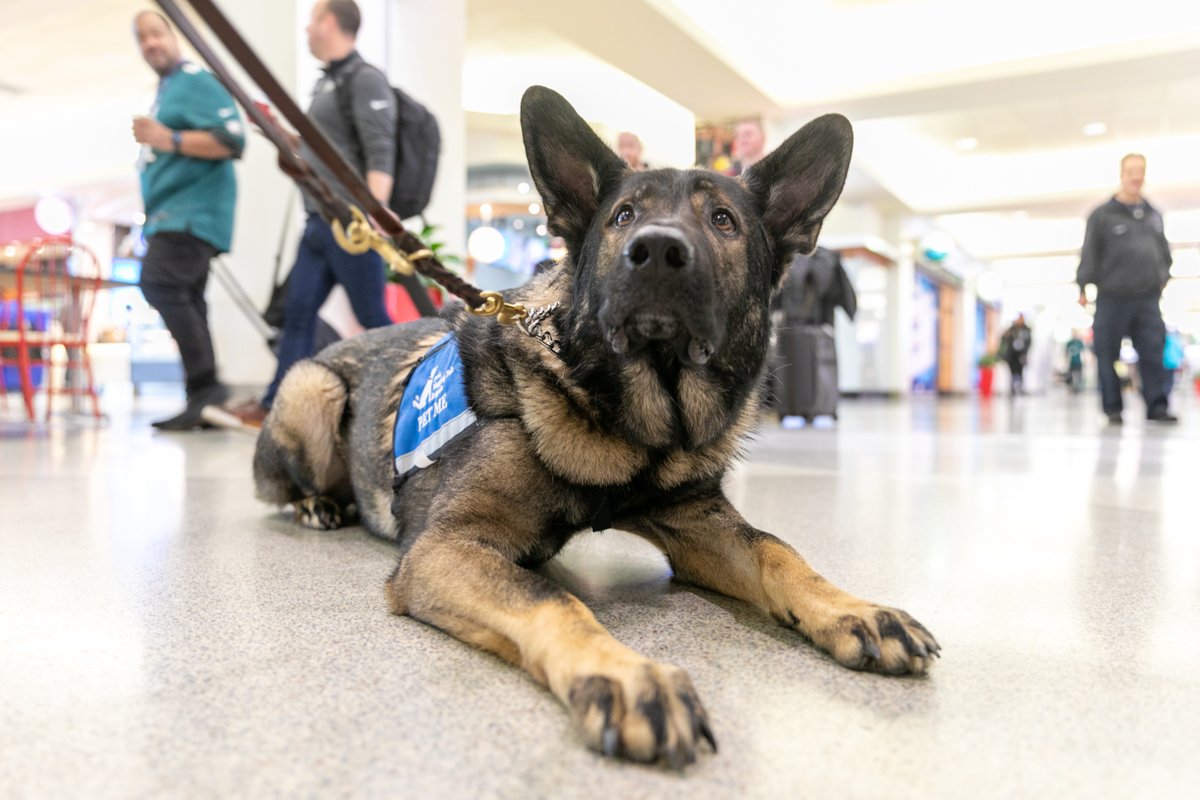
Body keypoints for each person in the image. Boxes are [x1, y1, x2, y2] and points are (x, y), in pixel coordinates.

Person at [225, 0, 397, 428]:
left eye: (312, 21)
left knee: (372, 315)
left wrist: (372, 217)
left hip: (349, 222)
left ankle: (411, 389)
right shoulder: (326, 85)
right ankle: (273, 406)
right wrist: (278, 134)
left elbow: (380, 150)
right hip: (319, 221)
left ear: (332, 22)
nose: (306, 30)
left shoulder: (364, 79)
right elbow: (320, 153)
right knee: (298, 315)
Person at [132, 10, 245, 430]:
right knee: (188, 297)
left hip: (191, 213)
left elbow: (231, 140)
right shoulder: (167, 89)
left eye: (157, 33)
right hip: (171, 214)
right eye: (142, 38)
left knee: (159, 281)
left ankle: (207, 389)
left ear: (174, 35)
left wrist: (169, 139)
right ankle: (204, 397)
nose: (151, 44)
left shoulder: (194, 79)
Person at [1076, 153, 1176, 425]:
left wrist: (1163, 276)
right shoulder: (1102, 215)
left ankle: (1157, 406)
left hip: (1148, 298)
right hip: (1112, 297)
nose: (1136, 176)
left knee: (1154, 352)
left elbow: (1164, 252)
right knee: (1106, 353)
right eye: (1131, 171)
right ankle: (1112, 409)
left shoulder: (1153, 214)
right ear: (1121, 175)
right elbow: (1090, 252)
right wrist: (1083, 285)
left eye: (1140, 171)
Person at [998, 314, 1032, 396]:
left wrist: (1025, 353)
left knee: (1020, 372)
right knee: (1011, 372)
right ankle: (1012, 389)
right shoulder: (1011, 329)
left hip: (1021, 355)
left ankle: (1020, 388)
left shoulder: (1026, 330)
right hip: (1011, 355)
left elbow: (1029, 342)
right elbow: (1003, 338)